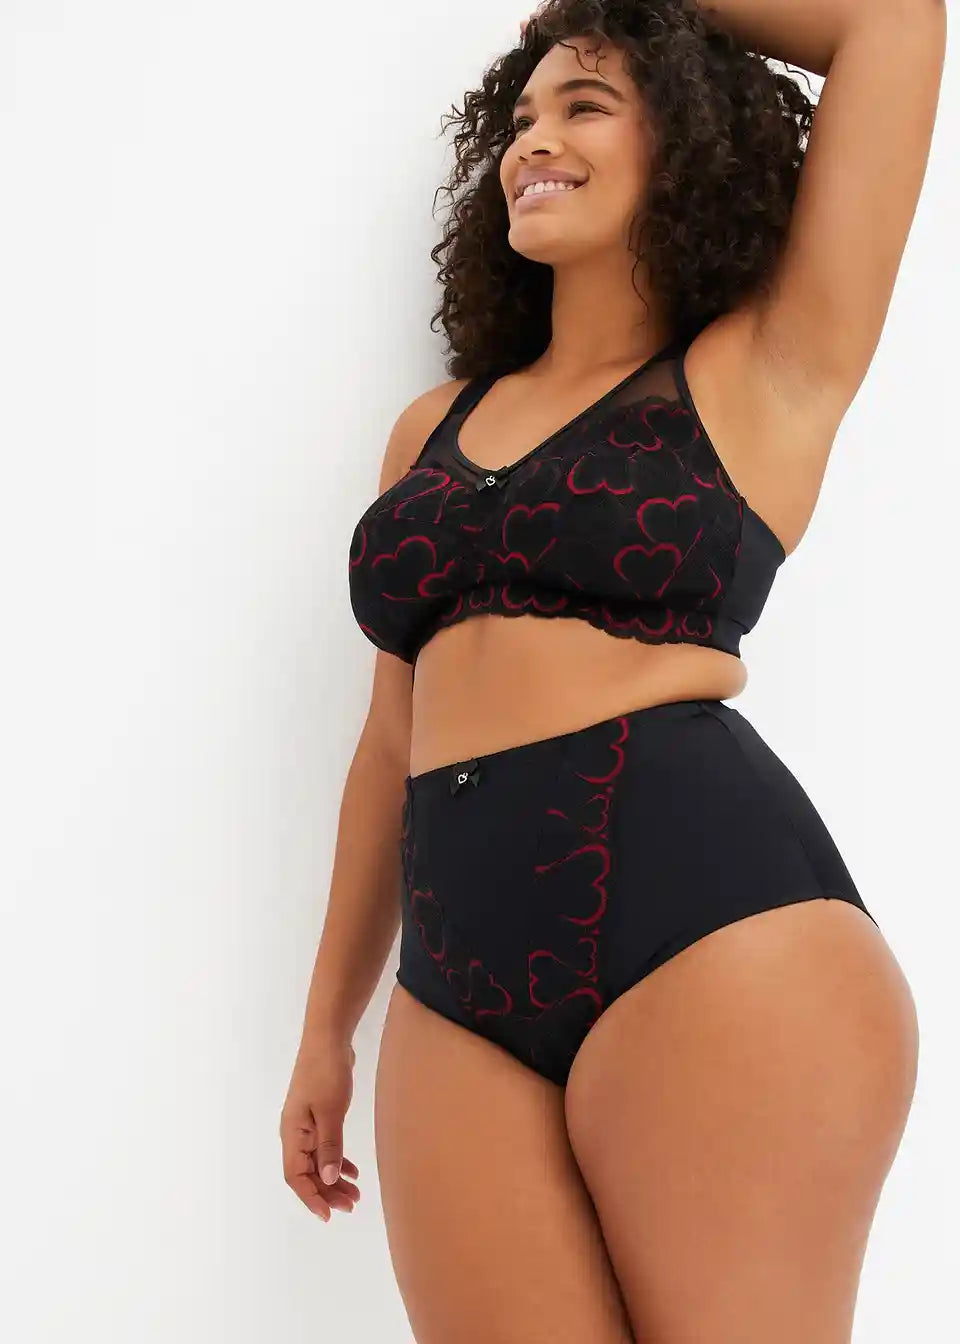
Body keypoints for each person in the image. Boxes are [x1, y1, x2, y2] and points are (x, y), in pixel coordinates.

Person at [281, 0, 946, 1338]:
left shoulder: (765, 369)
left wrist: (632, 1)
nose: (536, 138)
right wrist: (323, 1028)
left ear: (685, 142)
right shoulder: (432, 427)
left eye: (586, 106)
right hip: (456, 984)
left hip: (719, 936)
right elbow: (388, 744)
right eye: (522, 117)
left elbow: (895, 22)